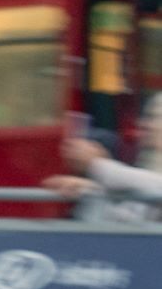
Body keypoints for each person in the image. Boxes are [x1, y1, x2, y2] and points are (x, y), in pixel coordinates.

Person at [45, 95, 162, 223]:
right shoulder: (147, 164)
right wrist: (91, 188)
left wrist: (96, 164)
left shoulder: (148, 178)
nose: (144, 124)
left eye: (154, 117)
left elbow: (156, 186)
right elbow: (126, 215)